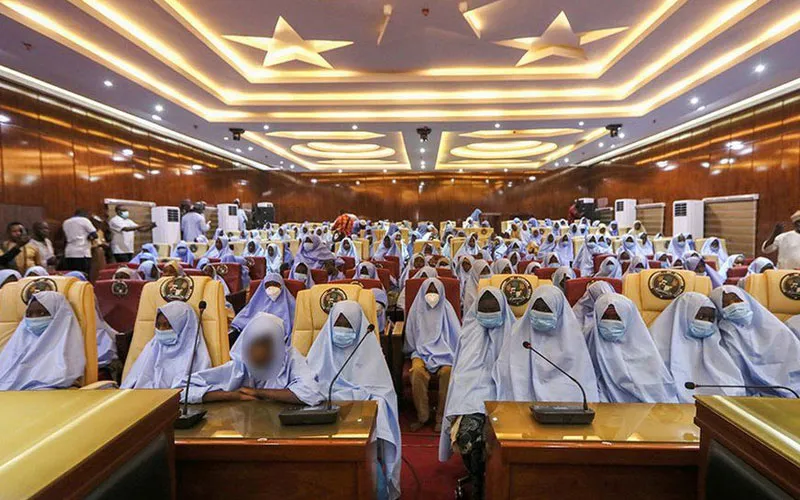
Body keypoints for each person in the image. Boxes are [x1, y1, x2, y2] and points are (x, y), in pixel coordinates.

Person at [306, 301, 401, 500]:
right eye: (338, 324)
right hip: (322, 422)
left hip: (360, 424)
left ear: (357, 328)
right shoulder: (320, 350)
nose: (342, 330)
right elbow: (307, 387)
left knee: (369, 476)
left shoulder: (369, 351)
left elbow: (383, 394)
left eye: (347, 326)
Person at [439, 288, 515, 495]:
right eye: (484, 309)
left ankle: (499, 479)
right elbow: (461, 376)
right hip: (471, 400)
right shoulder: (468, 335)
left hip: (505, 401)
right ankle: (477, 480)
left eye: (493, 309)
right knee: (467, 437)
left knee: (505, 441)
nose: (489, 313)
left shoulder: (515, 335)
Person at [183, 313, 323, 404]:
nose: (259, 351)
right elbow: (181, 390)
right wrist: (232, 395)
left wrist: (259, 393)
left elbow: (312, 393)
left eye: (266, 344)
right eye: (254, 343)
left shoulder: (291, 358)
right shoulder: (239, 365)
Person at [493, 285, 599, 403]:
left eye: (546, 310)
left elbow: (582, 381)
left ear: (558, 311)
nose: (541, 313)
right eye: (537, 308)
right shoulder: (517, 333)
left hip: (568, 409)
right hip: (521, 404)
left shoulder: (574, 339)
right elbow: (505, 373)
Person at [649, 292, 745, 403]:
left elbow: (731, 381)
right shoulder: (657, 343)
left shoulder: (714, 343)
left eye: (710, 319)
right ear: (683, 315)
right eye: (700, 316)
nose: (705, 323)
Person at [709, 286, 800, 396]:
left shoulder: (776, 328)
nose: (734, 305)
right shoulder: (722, 337)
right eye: (726, 303)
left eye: (737, 300)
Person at [586, 294, 678, 402]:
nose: (610, 322)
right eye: (605, 317)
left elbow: (658, 390)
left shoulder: (645, 348)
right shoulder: (587, 339)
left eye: (617, 318)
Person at [404, 278, 460, 432]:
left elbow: (456, 335)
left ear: (441, 293)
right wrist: (418, 350)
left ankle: (441, 418)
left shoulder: (447, 309)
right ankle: (423, 416)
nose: (432, 295)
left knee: (448, 373)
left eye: (435, 291)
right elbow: (411, 335)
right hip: (420, 351)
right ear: (423, 292)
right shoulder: (416, 309)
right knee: (416, 372)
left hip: (445, 351)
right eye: (429, 291)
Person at [0, 291, 85, 390]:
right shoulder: (19, 341)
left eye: (42, 313)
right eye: (29, 314)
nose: (34, 319)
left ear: (58, 315)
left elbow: (62, 380)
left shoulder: (66, 348)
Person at [121, 301, 212, 389]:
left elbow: (198, 388)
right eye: (158, 325)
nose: (161, 330)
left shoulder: (197, 353)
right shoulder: (153, 346)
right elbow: (131, 382)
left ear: (184, 327)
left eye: (168, 325)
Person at [231, 273, 295, 342]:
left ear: (281, 286)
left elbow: (294, 325)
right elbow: (244, 317)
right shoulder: (257, 301)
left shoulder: (290, 303)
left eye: (276, 285)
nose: (272, 288)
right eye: (268, 285)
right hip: (255, 338)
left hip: (279, 340)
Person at [62, 209, 98, 274]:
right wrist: (89, 237)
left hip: (69, 253)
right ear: (85, 214)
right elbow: (95, 235)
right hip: (82, 252)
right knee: (84, 275)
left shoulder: (66, 222)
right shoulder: (84, 220)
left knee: (73, 275)